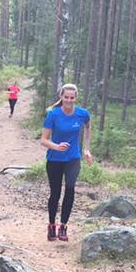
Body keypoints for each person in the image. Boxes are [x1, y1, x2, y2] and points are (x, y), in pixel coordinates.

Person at [40, 83, 93, 242]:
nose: (69, 100)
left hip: (73, 158)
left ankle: (63, 226)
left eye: (72, 98)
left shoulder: (82, 114)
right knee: (55, 193)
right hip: (54, 159)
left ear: (76, 98)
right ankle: (51, 225)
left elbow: (88, 128)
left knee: (70, 190)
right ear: (61, 97)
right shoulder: (53, 115)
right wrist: (57, 146)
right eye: (66, 97)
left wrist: (87, 149)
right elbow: (43, 140)